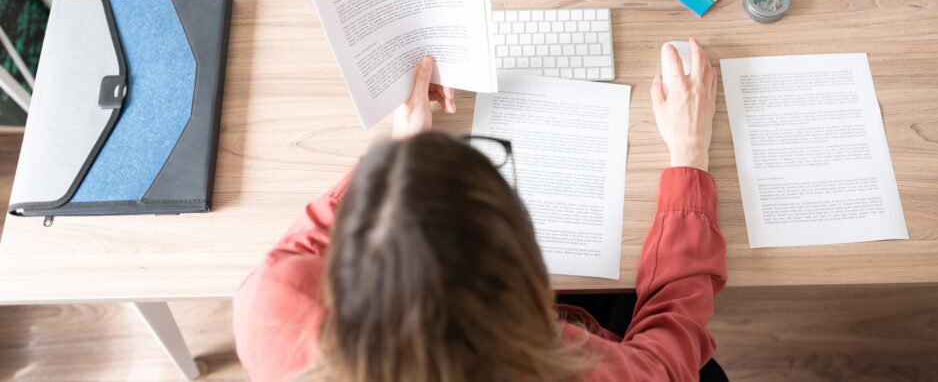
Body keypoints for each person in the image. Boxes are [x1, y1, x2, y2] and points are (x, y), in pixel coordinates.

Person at [234, 38, 726, 382]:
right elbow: (665, 362)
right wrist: (689, 157)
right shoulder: (567, 370)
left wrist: (401, 157)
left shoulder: (275, 308)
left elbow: (306, 242)